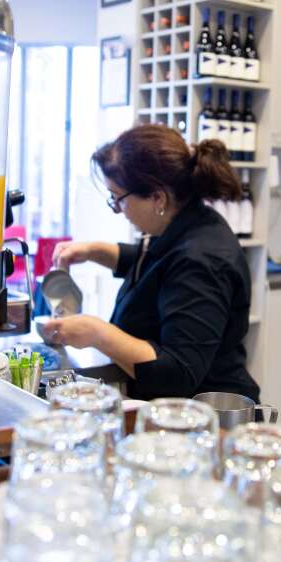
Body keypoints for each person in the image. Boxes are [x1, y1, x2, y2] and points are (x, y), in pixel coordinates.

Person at [42, 124, 260, 401]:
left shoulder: (201, 261)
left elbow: (177, 373)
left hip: (203, 411)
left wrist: (97, 333)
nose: (117, 209)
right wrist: (93, 251)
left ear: (158, 197)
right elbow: (157, 267)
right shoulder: (186, 221)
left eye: (118, 199)